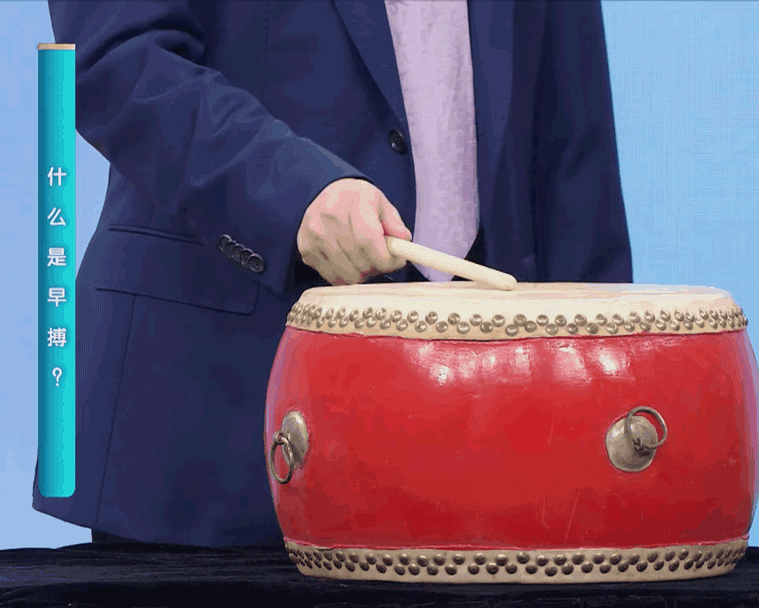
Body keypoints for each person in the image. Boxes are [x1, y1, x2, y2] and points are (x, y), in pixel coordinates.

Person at [34, 0, 633, 547]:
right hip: (213, 417)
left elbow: (570, 142)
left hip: (495, 442)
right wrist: (290, 191)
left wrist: (604, 397)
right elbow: (114, 54)